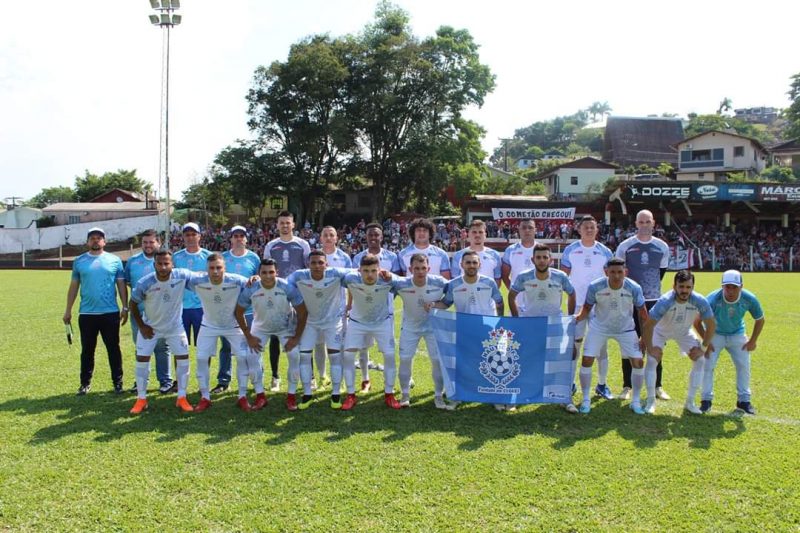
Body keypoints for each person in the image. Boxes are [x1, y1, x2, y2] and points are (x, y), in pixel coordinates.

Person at [509, 243, 576, 412]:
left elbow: (572, 293)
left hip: (555, 324)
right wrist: (517, 320)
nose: (541, 260)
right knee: (526, 360)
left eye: (545, 257)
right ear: (533, 259)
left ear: (550, 260)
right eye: (538, 257)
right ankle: (520, 396)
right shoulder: (524, 277)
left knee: (559, 361)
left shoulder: (560, 276)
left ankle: (564, 397)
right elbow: (511, 296)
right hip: (531, 325)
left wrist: (569, 317)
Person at [575, 258, 648, 414]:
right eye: (612, 272)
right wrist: (575, 319)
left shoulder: (633, 287)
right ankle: (586, 399)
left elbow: (642, 313)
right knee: (587, 359)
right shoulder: (595, 286)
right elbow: (586, 309)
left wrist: (644, 337)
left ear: (625, 272)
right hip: (599, 327)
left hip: (626, 329)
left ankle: (635, 401)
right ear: (606, 272)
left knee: (638, 362)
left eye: (619, 272)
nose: (616, 276)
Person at [128, 251, 195, 414]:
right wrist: (142, 326)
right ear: (154, 265)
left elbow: (205, 276)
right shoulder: (146, 282)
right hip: (151, 328)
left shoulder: (181, 276)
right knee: (142, 359)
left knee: (183, 359)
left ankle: (182, 397)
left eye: (167, 263)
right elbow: (133, 304)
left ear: (172, 264)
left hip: (175, 328)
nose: (163, 267)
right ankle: (141, 399)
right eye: (160, 263)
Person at [237, 259, 308, 411]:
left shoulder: (286, 287)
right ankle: (260, 396)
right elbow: (238, 311)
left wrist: (296, 337)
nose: (268, 276)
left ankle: (291, 396)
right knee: (251, 357)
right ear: (259, 274)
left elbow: (303, 312)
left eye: (271, 272)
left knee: (295, 355)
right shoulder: (251, 288)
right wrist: (248, 336)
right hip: (260, 328)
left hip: (285, 327)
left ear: (277, 272)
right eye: (264, 272)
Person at [435, 251, 504, 410]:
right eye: (468, 262)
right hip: (464, 328)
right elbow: (446, 303)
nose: (471, 265)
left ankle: (495, 396)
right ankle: (459, 396)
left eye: (474, 262)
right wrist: (432, 306)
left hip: (487, 329)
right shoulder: (454, 284)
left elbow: (499, 303)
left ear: (480, 265)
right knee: (463, 363)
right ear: (462, 265)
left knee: (491, 362)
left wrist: (499, 323)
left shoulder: (489, 282)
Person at [64, 227, 128, 395]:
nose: (95, 240)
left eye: (99, 238)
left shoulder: (115, 260)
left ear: (104, 241)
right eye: (92, 238)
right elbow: (73, 287)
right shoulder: (79, 261)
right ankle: (85, 383)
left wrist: (125, 306)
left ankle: (118, 383)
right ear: (87, 241)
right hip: (87, 314)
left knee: (113, 349)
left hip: (110, 313)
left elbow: (121, 285)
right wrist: (68, 310)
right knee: (87, 350)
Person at [614, 209, 671, 401]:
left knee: (654, 343)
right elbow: (619, 272)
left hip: (654, 301)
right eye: (641, 222)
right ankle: (627, 386)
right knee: (629, 343)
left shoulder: (661, 246)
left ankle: (657, 385)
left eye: (648, 222)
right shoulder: (625, 246)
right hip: (629, 301)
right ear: (636, 224)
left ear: (653, 223)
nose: (645, 225)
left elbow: (661, 273)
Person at [642, 270, 715, 415]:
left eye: (688, 287)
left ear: (693, 287)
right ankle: (650, 401)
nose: (684, 291)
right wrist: (650, 348)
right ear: (674, 286)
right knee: (651, 360)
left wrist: (703, 347)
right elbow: (648, 325)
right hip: (660, 332)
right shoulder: (665, 301)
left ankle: (690, 402)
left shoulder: (700, 300)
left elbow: (711, 325)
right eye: (681, 286)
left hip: (683, 332)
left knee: (700, 360)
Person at [185, 253, 251, 412]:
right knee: (201, 358)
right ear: (206, 269)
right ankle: (205, 397)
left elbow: (253, 284)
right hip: (209, 325)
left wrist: (254, 278)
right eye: (212, 268)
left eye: (219, 268)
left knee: (242, 357)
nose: (215, 271)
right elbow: (177, 280)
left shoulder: (236, 280)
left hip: (232, 325)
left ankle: (242, 396)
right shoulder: (197, 281)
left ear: (225, 268)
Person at [560, 215, 614, 401]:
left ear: (597, 229)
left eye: (592, 227)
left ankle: (602, 384)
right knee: (574, 345)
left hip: (599, 306)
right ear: (579, 229)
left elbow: (611, 278)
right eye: (586, 227)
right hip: (577, 305)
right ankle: (570, 383)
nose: (589, 230)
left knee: (601, 347)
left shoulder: (605, 251)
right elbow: (563, 278)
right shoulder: (570, 250)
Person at [287, 250, 348, 409]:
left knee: (335, 357)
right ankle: (307, 394)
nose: (317, 266)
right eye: (313, 262)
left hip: (332, 322)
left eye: (320, 262)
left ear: (326, 264)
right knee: (305, 356)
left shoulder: (335, 273)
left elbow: (356, 274)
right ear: (308, 264)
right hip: (310, 322)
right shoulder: (299, 276)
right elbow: (283, 284)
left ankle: (335, 394)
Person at [698, 270, 764, 415]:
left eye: (735, 287)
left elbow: (760, 319)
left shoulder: (749, 298)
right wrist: (706, 341)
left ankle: (744, 401)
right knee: (708, 365)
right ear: (722, 286)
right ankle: (705, 401)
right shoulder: (712, 299)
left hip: (737, 334)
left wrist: (753, 341)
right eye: (727, 287)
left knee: (743, 365)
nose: (731, 291)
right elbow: (697, 321)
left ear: (741, 286)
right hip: (715, 334)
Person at [340, 254, 402, 410]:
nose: (369, 275)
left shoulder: (388, 280)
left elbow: (407, 282)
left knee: (389, 355)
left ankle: (389, 394)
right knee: (348, 356)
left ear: (379, 270)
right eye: (365, 271)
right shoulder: (350, 278)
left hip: (382, 322)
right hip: (357, 322)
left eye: (373, 271)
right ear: (359, 270)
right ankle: (350, 395)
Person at [392, 253, 449, 408]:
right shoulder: (402, 284)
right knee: (405, 359)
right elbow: (387, 283)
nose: (420, 271)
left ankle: (438, 395)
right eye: (416, 268)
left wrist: (437, 304)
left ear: (429, 268)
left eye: (423, 268)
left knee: (437, 360)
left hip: (432, 328)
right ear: (410, 269)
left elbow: (451, 296)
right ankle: (405, 394)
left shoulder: (440, 283)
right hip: (410, 327)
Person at [263, 211, 311, 392]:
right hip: (277, 296)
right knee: (275, 336)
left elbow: (308, 269)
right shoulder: (271, 245)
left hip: (298, 296)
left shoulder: (302, 244)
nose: (284, 225)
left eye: (287, 223)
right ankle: (275, 377)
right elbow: (266, 270)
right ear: (277, 225)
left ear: (293, 225)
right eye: (281, 223)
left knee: (305, 335)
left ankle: (310, 376)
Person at [352, 223, 401, 391]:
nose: (373, 238)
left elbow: (397, 282)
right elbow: (353, 284)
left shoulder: (392, 257)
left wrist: (387, 299)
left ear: (382, 237)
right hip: (363, 309)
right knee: (362, 347)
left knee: (387, 349)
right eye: (370, 235)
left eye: (376, 235)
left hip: (386, 310)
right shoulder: (358, 257)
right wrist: (350, 304)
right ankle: (365, 379)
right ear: (366, 237)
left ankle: (390, 385)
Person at [123, 229, 174, 394]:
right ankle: (141, 381)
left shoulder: (164, 259)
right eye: (145, 242)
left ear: (158, 243)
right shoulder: (132, 261)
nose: (148, 245)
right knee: (140, 347)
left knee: (162, 347)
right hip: (138, 312)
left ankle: (165, 381)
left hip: (161, 313)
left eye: (151, 242)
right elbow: (129, 283)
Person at [215, 225, 261, 394]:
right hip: (227, 309)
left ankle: (256, 378)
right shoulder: (224, 257)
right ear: (231, 239)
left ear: (246, 239)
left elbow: (259, 279)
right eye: (236, 236)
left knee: (253, 344)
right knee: (226, 347)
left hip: (249, 309)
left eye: (242, 236)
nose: (239, 238)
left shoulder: (254, 258)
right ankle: (223, 381)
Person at [316, 226, 353, 391]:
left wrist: (349, 304)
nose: (329, 238)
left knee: (341, 345)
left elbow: (351, 281)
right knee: (319, 344)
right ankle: (323, 376)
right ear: (321, 238)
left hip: (339, 308)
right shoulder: (314, 256)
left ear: (337, 238)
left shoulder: (344, 257)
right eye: (325, 235)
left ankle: (343, 379)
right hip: (317, 308)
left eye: (332, 235)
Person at [172, 222, 211, 351]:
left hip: (203, 307)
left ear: (199, 236)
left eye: (193, 234)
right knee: (180, 348)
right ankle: (181, 372)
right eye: (187, 235)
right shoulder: (176, 257)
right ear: (183, 237)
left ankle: (203, 372)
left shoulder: (208, 256)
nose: (190, 237)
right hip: (181, 308)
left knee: (204, 347)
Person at [451, 220, 502, 285]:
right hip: (465, 294)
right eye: (474, 232)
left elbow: (497, 281)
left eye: (480, 232)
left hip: (487, 295)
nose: (477, 235)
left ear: (485, 235)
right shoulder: (458, 255)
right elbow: (455, 280)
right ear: (468, 234)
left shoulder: (495, 255)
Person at [501, 218, 536, 312]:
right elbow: (504, 276)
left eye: (530, 227)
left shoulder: (542, 249)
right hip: (516, 304)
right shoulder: (510, 250)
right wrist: (514, 292)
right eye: (524, 228)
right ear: (519, 230)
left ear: (535, 230)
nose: (527, 230)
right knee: (514, 327)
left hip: (537, 303)